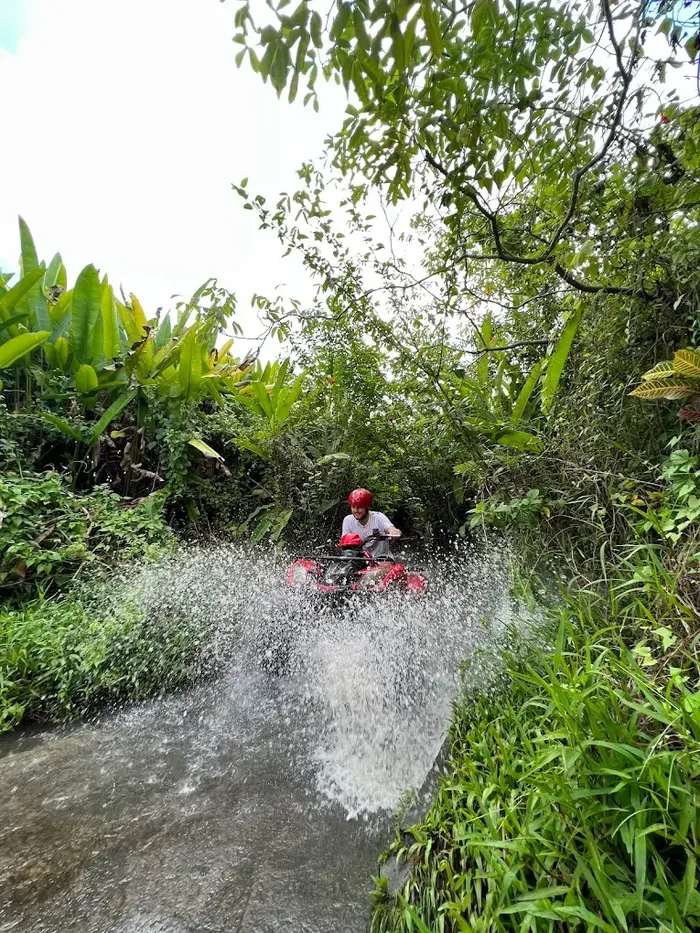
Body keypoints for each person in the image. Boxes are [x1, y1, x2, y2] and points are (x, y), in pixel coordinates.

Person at [342, 488, 401, 558]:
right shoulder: (348, 520)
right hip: (360, 560)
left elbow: (389, 527)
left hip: (382, 559)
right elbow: (344, 545)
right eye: (353, 507)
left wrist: (393, 531)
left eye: (360, 507)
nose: (356, 511)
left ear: (368, 507)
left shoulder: (378, 517)